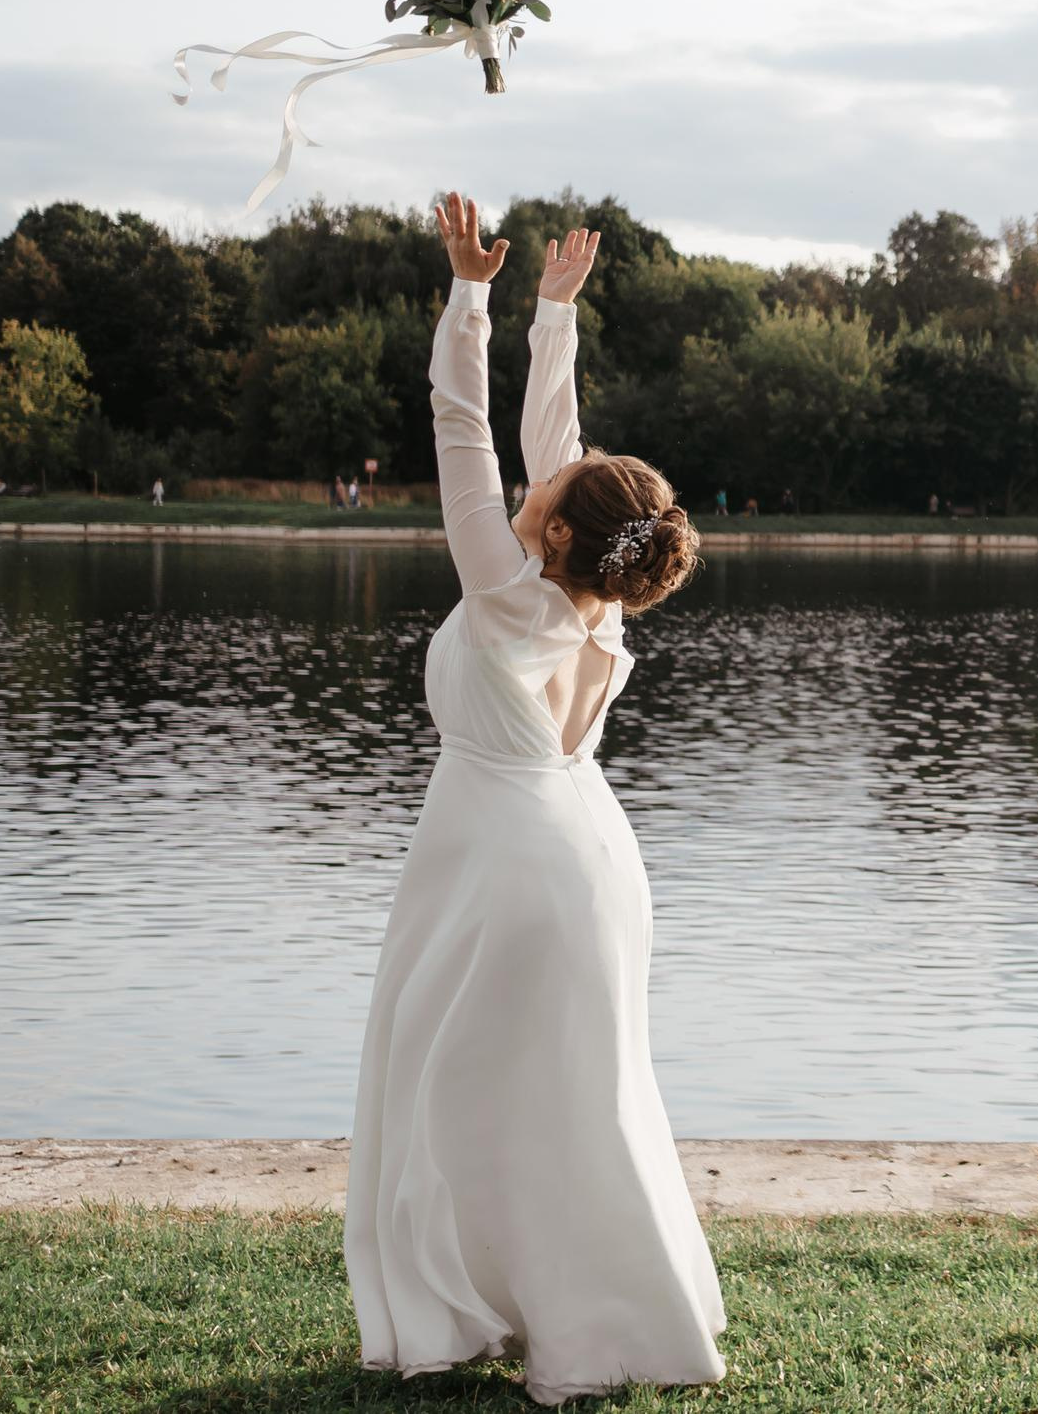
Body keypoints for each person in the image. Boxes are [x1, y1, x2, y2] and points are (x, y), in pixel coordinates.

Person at [346, 194, 725, 1405]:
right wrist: (550, 316)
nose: (536, 484)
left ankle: (476, 1312)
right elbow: (570, 463)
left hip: (501, 864)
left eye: (552, 492)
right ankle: (597, 1317)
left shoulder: (510, 590)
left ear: (557, 530)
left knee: (459, 1096)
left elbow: (463, 427)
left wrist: (470, 297)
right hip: (587, 860)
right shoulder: (592, 592)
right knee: (573, 1100)